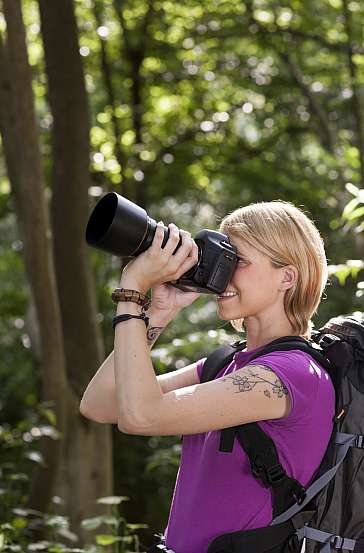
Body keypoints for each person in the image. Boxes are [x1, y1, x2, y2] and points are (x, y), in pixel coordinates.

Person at [80, 201, 334, 553]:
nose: (224, 274)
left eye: (239, 261)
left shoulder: (293, 376)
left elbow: (141, 415)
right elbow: (101, 405)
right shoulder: (224, 364)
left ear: (286, 277)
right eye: (222, 257)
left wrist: (132, 290)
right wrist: (158, 310)